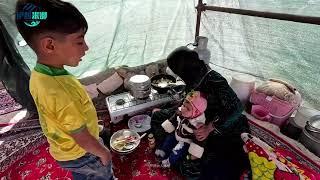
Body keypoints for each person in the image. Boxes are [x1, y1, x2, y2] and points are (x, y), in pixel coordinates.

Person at [15, 0, 115, 179]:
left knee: (83, 173)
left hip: (64, 148)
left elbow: (61, 117)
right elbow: (81, 136)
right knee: (99, 173)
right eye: (79, 41)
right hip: (82, 152)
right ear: (50, 45)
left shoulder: (40, 75)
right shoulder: (59, 92)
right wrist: (104, 153)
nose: (86, 47)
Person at [151, 46, 250, 179]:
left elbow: (237, 108)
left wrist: (209, 128)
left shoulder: (215, 80)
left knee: (204, 165)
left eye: (179, 73)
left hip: (214, 124)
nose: (179, 76)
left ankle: (181, 154)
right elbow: (188, 98)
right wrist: (180, 111)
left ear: (186, 71)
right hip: (192, 115)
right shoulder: (193, 76)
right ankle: (170, 148)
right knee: (157, 117)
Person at [155, 91, 207, 168]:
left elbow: (200, 139)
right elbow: (173, 119)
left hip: (185, 141)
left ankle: (169, 162)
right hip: (177, 133)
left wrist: (194, 154)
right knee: (168, 140)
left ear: (196, 113)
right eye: (183, 105)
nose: (183, 108)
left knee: (176, 152)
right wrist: (167, 126)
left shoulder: (198, 126)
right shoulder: (181, 111)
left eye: (187, 108)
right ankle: (163, 152)